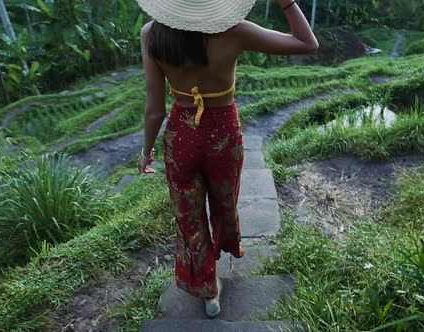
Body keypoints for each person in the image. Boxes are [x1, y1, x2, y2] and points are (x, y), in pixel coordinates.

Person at [136, 0, 318, 318]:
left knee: (188, 217)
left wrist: (146, 152)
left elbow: (155, 110)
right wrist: (287, 3)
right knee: (224, 202)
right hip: (223, 134)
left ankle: (208, 288)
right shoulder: (234, 32)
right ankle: (224, 250)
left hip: (181, 136)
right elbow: (306, 43)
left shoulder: (151, 34)